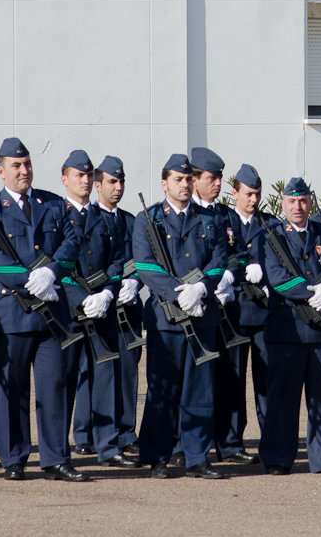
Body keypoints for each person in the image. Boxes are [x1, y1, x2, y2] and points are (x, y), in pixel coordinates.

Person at [0, 138, 89, 482]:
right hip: (11, 310)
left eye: (27, 165)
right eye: (16, 166)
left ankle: (55, 457)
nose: (24, 171)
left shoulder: (51, 204)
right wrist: (28, 279)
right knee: (12, 388)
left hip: (51, 310)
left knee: (54, 385)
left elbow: (72, 243)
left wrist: (51, 271)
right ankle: (13, 457)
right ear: (1, 171)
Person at [134, 153, 232, 480]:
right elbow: (145, 265)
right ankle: (158, 456)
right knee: (164, 391)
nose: (185, 184)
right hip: (166, 319)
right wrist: (179, 293)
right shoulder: (148, 219)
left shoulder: (208, 219)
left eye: (189, 179)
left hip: (202, 314)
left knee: (200, 390)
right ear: (164, 183)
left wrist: (201, 288)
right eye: (178, 179)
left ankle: (196, 457)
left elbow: (219, 258)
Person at [258, 178, 321, 476]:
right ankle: (277, 458)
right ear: (283, 204)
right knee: (283, 398)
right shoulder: (272, 236)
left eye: (303, 201)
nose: (298, 207)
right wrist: (315, 291)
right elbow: (277, 277)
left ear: (310, 203)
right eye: (291, 201)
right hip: (288, 328)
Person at [57, 150, 135, 468]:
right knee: (62, 381)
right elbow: (53, 264)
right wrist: (79, 297)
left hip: (102, 308)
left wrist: (107, 293)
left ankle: (108, 445)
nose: (86, 181)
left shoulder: (105, 218)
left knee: (106, 377)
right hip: (68, 312)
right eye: (80, 175)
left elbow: (117, 260)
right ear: (65, 179)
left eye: (89, 175)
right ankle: (58, 449)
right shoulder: (55, 215)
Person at [190, 147, 256, 465]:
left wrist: (230, 274)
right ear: (194, 179)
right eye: (211, 177)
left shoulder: (226, 216)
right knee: (195, 379)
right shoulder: (184, 213)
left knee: (231, 377)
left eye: (219, 178)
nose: (216, 183)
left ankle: (229, 442)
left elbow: (240, 253)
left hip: (225, 308)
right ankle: (185, 445)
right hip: (192, 306)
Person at [94, 156, 141, 456]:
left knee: (127, 371)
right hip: (99, 304)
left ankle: (125, 432)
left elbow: (143, 260)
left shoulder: (132, 221)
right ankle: (87, 433)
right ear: (98, 184)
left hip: (129, 307)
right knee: (96, 373)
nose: (118, 187)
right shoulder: (90, 219)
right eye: (112, 181)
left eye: (121, 181)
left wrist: (135, 280)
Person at [225, 163, 273, 449]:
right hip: (236, 311)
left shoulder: (269, 224)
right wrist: (242, 271)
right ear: (235, 193)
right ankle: (231, 443)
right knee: (234, 379)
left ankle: (271, 438)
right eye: (248, 194)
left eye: (257, 194)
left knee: (267, 379)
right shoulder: (223, 223)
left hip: (264, 310)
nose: (253, 200)